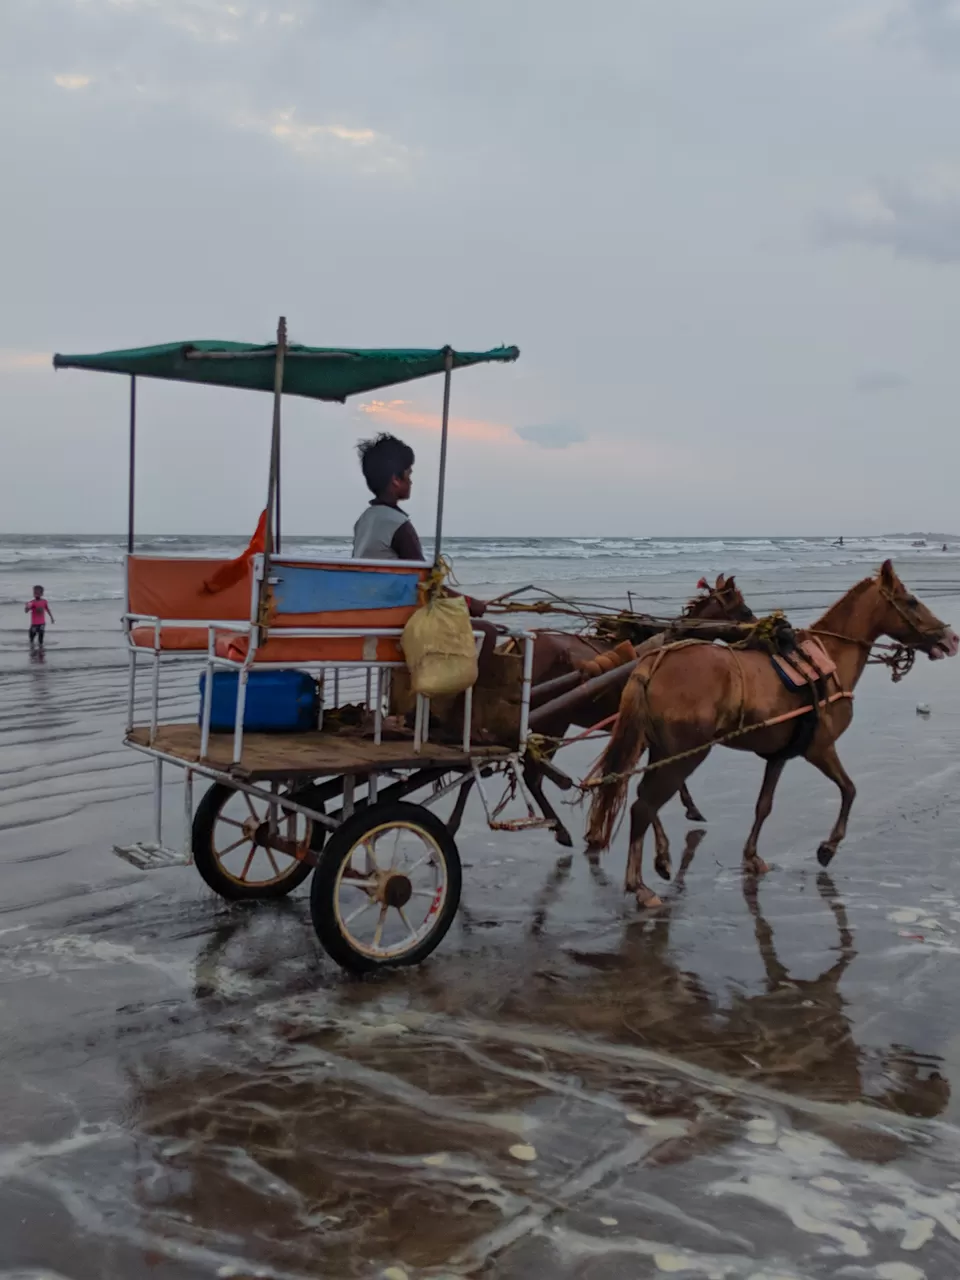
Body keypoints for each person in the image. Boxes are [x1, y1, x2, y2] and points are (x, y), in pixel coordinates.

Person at [352, 433, 499, 668]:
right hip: (398, 619)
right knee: (489, 632)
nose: (412, 481)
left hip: (372, 612)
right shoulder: (399, 525)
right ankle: (460, 701)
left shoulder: (365, 520)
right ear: (396, 480)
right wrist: (470, 604)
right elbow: (427, 585)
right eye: (409, 474)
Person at [25, 585, 54, 649]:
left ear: (42, 594)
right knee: (32, 635)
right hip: (34, 623)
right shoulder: (31, 602)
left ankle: (41, 648)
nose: (36, 595)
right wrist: (26, 607)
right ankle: (32, 646)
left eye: (38, 593)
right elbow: (26, 611)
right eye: (35, 593)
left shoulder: (44, 601)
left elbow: (47, 609)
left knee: (41, 636)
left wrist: (52, 618)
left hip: (42, 623)